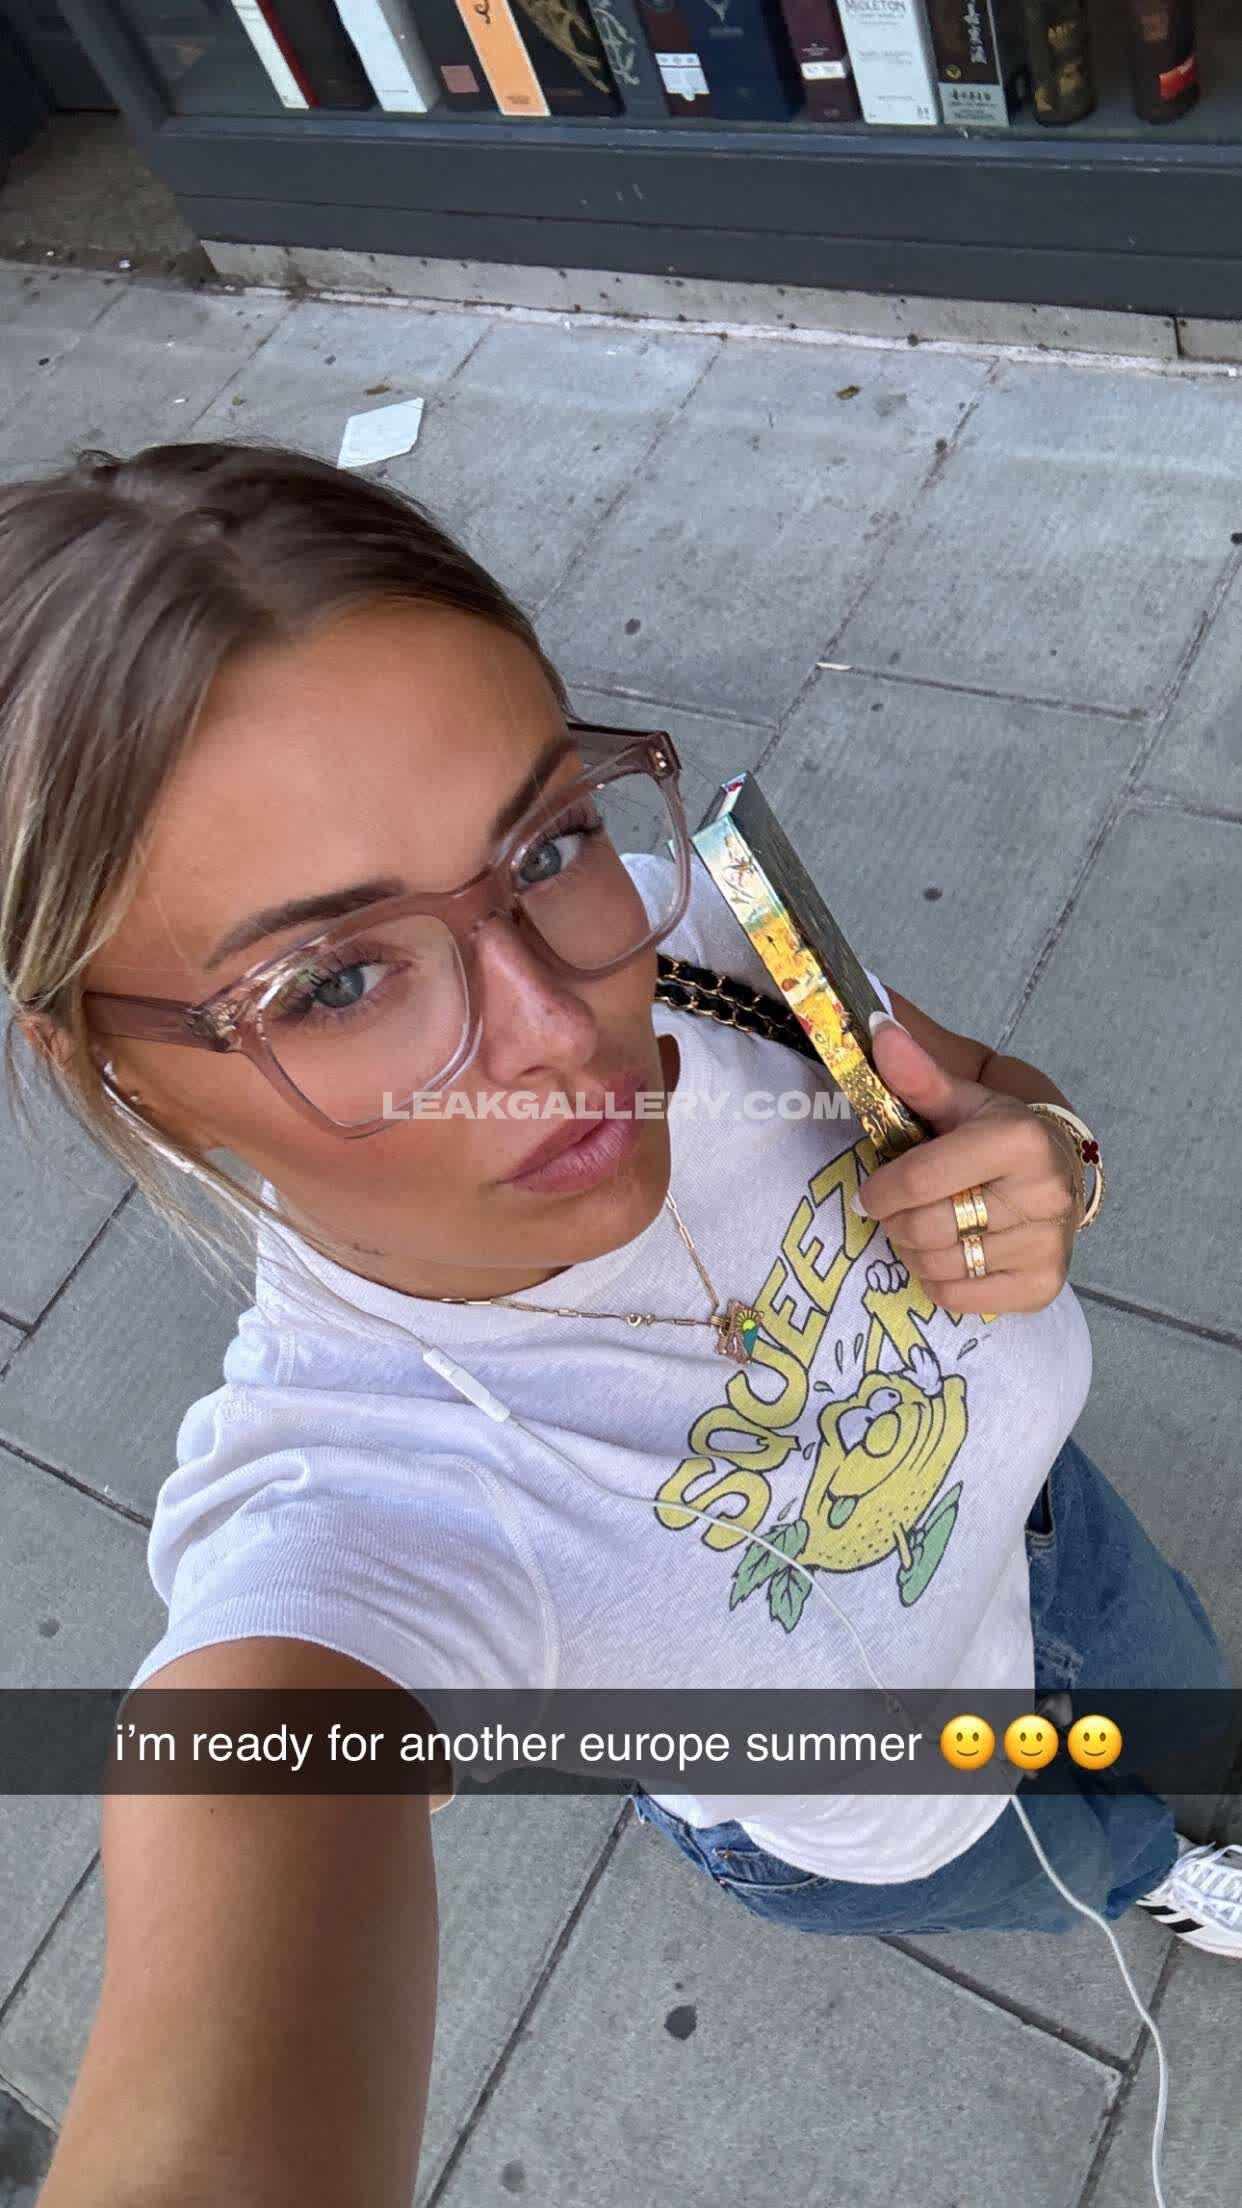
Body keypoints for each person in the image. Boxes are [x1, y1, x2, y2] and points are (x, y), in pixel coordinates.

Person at [1, 442, 1236, 2208]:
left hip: (1065, 1548)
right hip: (891, 1814)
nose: (553, 1025)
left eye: (545, 844)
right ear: (113, 1062)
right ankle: (1143, 1877)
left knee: (1173, 1722)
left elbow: (989, 1097)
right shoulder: (361, 1510)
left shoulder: (716, 952)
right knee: (1082, 1854)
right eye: (332, 979)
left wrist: (1051, 1162)